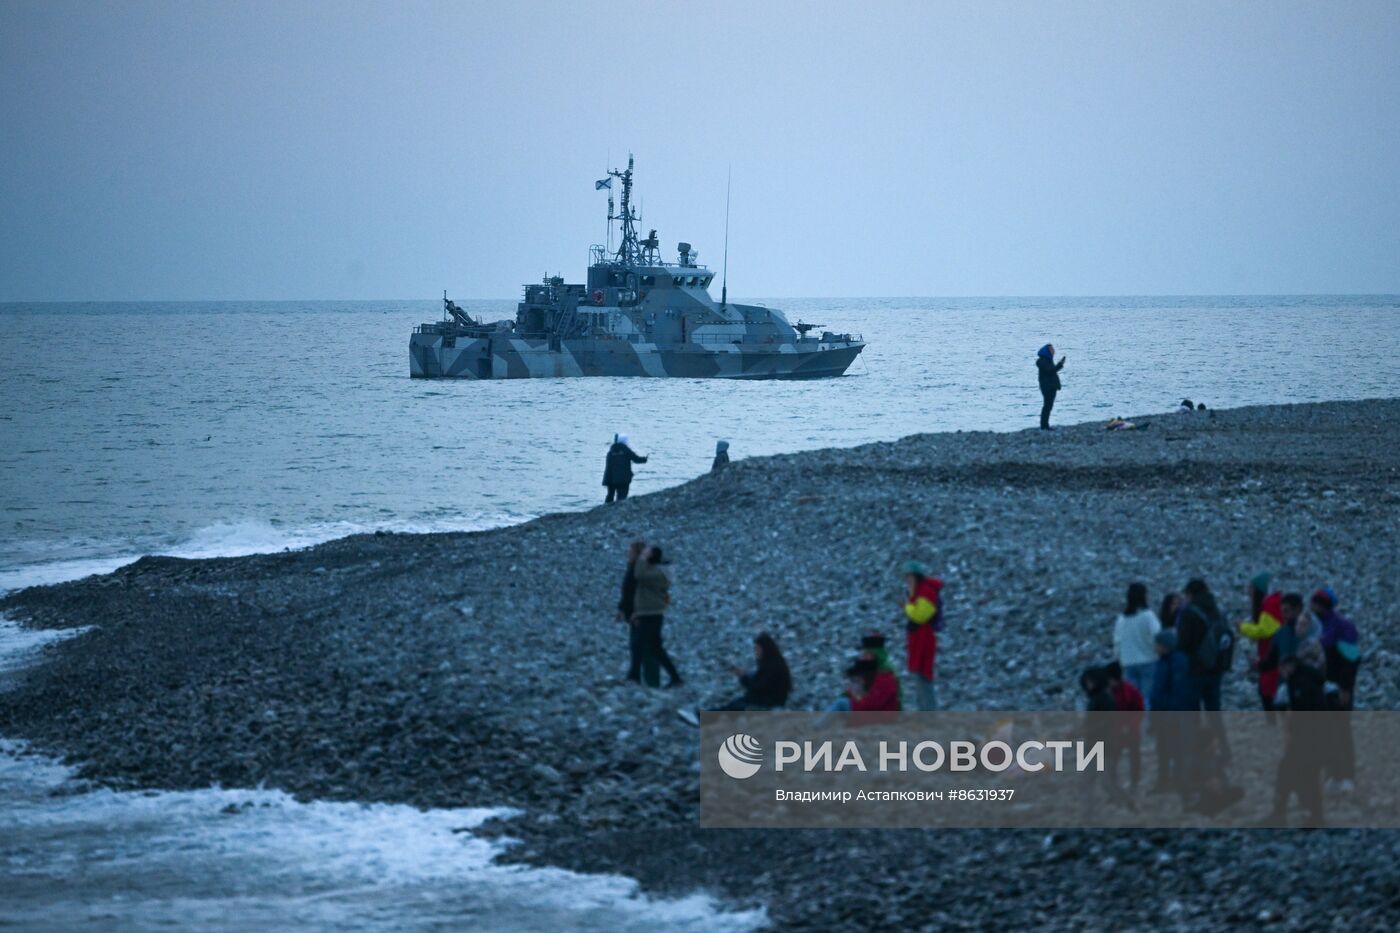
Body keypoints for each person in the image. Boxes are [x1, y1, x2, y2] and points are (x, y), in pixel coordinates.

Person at [677, 633, 792, 725]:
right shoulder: (772, 662)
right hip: (768, 698)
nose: (756, 652)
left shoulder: (772, 666)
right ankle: (701, 716)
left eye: (757, 648)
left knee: (736, 706)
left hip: (770, 702)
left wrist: (742, 677)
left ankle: (701, 718)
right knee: (734, 705)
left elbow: (757, 687)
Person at [1312, 587, 1359, 793]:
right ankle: (1332, 774)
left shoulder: (1344, 628)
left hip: (1339, 687)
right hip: (1321, 688)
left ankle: (1346, 775)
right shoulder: (1314, 626)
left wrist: (1345, 687)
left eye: (1316, 603)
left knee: (1341, 731)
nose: (1312, 607)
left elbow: (1351, 659)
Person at [1148, 629, 1195, 793]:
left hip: (1171, 712)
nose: (1154, 647)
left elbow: (1178, 689)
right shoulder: (1163, 660)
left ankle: (1177, 779)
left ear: (1164, 645)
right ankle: (1165, 780)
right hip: (1162, 711)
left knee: (1175, 748)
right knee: (1162, 748)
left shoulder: (1177, 661)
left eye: (1157, 644)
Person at [631, 545, 682, 688]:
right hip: (648, 613)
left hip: (652, 614)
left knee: (639, 644)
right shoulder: (655, 571)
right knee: (655, 648)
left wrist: (641, 558)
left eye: (647, 553)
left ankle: (634, 677)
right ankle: (676, 678)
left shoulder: (660, 574)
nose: (643, 554)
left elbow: (639, 575)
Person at [1238, 573, 1284, 714]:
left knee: (1268, 691)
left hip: (1271, 656)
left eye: (1251, 588)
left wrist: (1242, 627)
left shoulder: (1269, 604)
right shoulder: (1275, 602)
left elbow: (1263, 631)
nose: (1248, 591)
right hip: (1273, 654)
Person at [901, 561, 942, 710]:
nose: (908, 581)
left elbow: (920, 616)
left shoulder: (927, 592)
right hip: (918, 638)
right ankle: (923, 710)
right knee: (918, 675)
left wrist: (906, 607)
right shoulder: (918, 593)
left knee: (924, 675)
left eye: (910, 578)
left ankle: (929, 712)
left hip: (924, 639)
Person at [1112, 582, 1161, 696]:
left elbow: (1117, 641)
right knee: (1147, 697)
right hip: (1149, 660)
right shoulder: (1148, 616)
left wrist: (1118, 658)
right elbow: (1157, 636)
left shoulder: (1122, 619)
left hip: (1128, 662)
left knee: (1133, 699)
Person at [1105, 662, 1146, 792]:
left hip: (1131, 731)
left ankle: (1134, 783)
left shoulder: (1130, 691)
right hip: (1114, 733)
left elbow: (1139, 710)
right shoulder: (1107, 693)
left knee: (1134, 758)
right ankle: (1113, 786)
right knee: (1112, 760)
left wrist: (1130, 726)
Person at [617, 539, 646, 682]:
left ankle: (636, 675)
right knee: (635, 643)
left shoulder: (639, 570)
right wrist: (621, 609)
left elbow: (640, 592)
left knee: (638, 643)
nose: (628, 553)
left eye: (630, 551)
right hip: (631, 610)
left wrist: (637, 611)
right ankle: (635, 674)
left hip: (638, 612)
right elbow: (626, 591)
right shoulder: (632, 567)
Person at [603, 434, 647, 503]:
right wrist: (644, 459)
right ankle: (619, 512)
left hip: (610, 479)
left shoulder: (610, 452)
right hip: (623, 479)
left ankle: (604, 511)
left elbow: (608, 467)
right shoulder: (626, 450)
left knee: (610, 496)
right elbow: (636, 459)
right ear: (625, 441)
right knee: (621, 497)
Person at [1036, 343, 1066, 430]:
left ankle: (1045, 425)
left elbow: (1051, 371)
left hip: (1050, 387)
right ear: (1047, 351)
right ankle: (1044, 425)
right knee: (1047, 406)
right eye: (1052, 350)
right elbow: (1050, 371)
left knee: (1048, 406)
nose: (1054, 352)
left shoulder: (1048, 360)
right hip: (1047, 387)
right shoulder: (1043, 361)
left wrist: (1059, 365)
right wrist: (1060, 365)